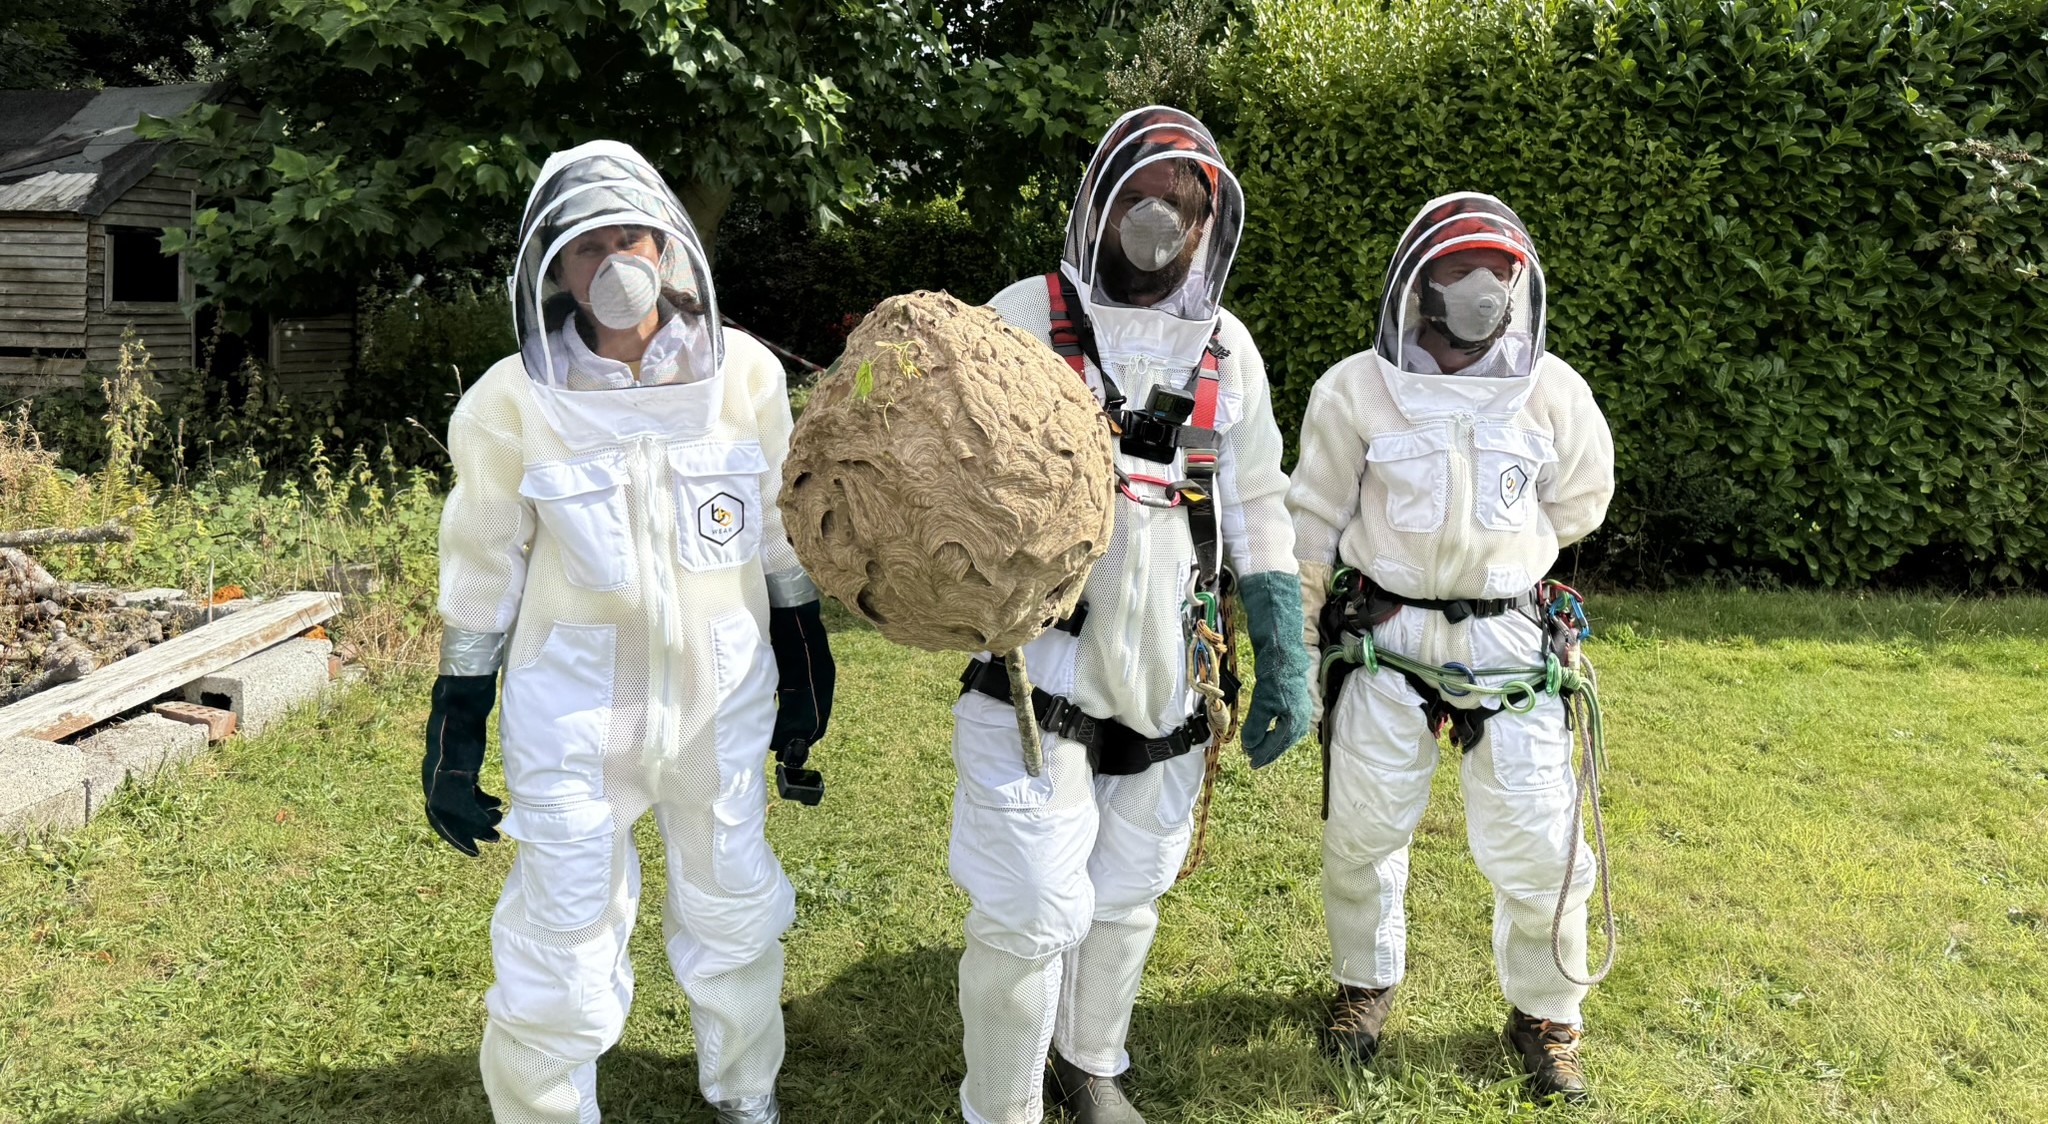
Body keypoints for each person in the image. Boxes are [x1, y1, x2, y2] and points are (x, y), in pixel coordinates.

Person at [420, 140, 835, 1124]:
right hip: (572, 719)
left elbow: (779, 526)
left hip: (716, 706)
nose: (612, 261)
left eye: (631, 236)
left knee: (733, 905)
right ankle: (548, 1109)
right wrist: (458, 714)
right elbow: (483, 561)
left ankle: (745, 1089)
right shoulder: (510, 400)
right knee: (560, 931)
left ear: (668, 244)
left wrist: (804, 650)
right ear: (553, 267)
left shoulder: (743, 376)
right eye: (587, 245)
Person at [950, 106, 1313, 1124]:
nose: (1162, 222)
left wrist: (1283, 650)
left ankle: (1089, 1058)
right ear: (1102, 204)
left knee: (1125, 889)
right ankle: (1003, 1102)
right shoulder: (1020, 314)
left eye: (1185, 208)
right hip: (1038, 666)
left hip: (1169, 667)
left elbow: (1254, 502)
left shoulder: (1225, 345)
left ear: (1209, 227)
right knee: (1025, 906)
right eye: (1144, 199)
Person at [1287, 192, 1615, 1102]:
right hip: (1386, 637)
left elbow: (1582, 498)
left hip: (1512, 638)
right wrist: (1298, 644)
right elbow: (1312, 522)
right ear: (1421, 286)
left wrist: (1498, 558)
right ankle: (1366, 984)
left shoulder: (1553, 390)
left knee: (1543, 839)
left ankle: (1547, 1017)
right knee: (1361, 828)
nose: (1483, 288)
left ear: (1522, 285)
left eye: (1500, 272)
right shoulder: (1356, 388)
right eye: (1462, 271)